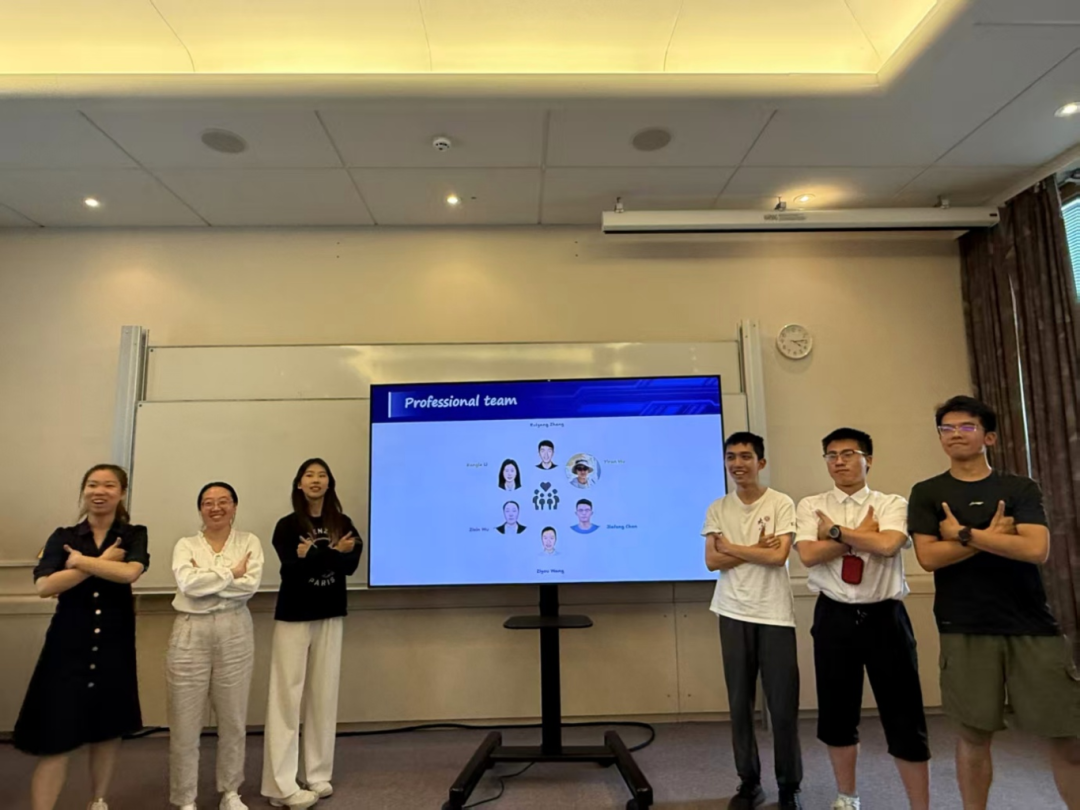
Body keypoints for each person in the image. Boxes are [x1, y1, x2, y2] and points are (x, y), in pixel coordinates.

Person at [909, 396, 1080, 810]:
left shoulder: (1019, 488)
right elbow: (929, 557)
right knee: (973, 737)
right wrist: (997, 537)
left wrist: (965, 535)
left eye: (966, 427)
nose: (955, 435)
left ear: (989, 437)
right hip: (963, 625)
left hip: (1032, 625)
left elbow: (1035, 549)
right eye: (946, 428)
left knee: (1068, 735)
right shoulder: (928, 492)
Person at [794, 428, 930, 810]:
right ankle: (847, 797)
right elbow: (808, 555)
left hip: (886, 618)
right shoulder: (811, 505)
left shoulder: (892, 503)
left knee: (904, 715)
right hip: (833, 616)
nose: (839, 461)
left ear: (868, 459)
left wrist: (835, 533)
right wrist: (859, 536)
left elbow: (888, 545)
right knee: (837, 714)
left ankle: (920, 806)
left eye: (848, 453)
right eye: (831, 455)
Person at [14, 464, 149, 810]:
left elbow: (129, 573)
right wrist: (102, 561)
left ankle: (98, 800)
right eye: (92, 484)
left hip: (114, 646)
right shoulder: (64, 536)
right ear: (83, 490)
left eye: (109, 485)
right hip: (67, 647)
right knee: (56, 735)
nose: (99, 491)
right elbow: (45, 586)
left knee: (107, 730)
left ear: (122, 493)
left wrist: (79, 563)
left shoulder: (133, 534)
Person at [702, 432, 802, 810]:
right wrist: (755, 549)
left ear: (761, 462)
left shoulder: (780, 502)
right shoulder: (718, 508)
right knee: (739, 705)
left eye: (745, 456)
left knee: (782, 706)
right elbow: (712, 561)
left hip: (774, 614)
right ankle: (749, 782)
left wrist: (732, 548)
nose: (737, 464)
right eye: (731, 457)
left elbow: (778, 558)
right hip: (731, 611)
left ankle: (789, 786)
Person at [262, 459, 363, 809]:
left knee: (324, 695)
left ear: (329, 483)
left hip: (331, 613)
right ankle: (280, 783)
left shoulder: (342, 523)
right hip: (294, 615)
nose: (315, 480)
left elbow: (351, 566)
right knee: (285, 698)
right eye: (309, 475)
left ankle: (317, 774)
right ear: (299, 484)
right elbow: (291, 569)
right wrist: (333, 553)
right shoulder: (287, 526)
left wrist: (315, 554)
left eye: (321, 475)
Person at [167, 482, 264, 810]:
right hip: (190, 632)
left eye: (224, 501)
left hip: (235, 630)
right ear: (200, 509)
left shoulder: (249, 542)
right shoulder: (185, 545)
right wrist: (230, 573)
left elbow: (249, 587)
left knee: (233, 718)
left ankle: (230, 792)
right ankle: (185, 799)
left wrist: (208, 578)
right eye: (208, 502)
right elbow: (187, 584)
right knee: (184, 722)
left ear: (234, 506)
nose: (216, 507)